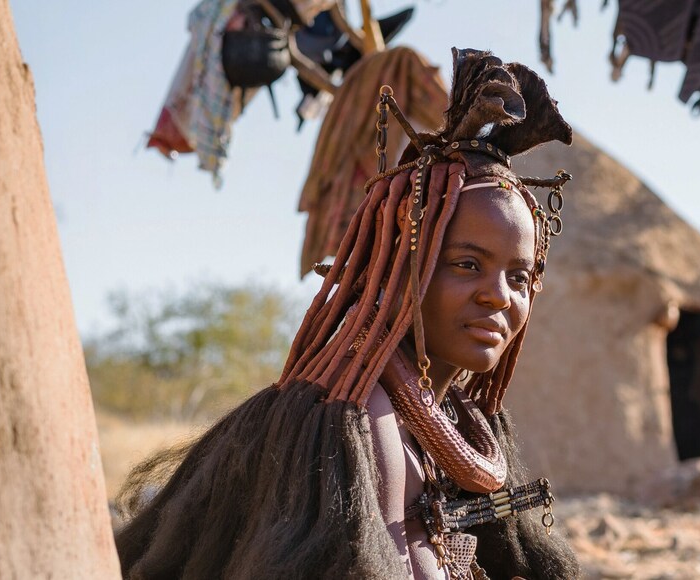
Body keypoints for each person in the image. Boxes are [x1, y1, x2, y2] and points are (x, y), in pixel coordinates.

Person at [114, 48, 579, 580]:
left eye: (518, 277)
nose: (498, 295)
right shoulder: (358, 423)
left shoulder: (464, 425)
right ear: (402, 269)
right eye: (467, 264)